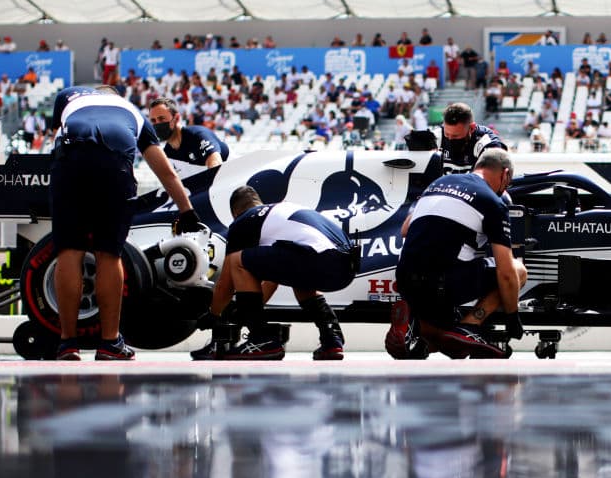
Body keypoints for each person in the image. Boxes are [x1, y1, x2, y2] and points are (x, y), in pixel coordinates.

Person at [49, 85, 200, 360]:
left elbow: (57, 139)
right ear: (117, 97)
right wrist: (187, 211)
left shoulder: (69, 95)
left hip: (70, 165)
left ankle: (67, 343)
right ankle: (109, 344)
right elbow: (165, 171)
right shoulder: (133, 113)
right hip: (114, 166)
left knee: (69, 252)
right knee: (109, 254)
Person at [389, 149, 527, 359]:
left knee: (446, 346)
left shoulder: (438, 184)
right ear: (505, 174)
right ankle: (470, 326)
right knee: (518, 270)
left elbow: (405, 229)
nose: (504, 189)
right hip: (444, 283)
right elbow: (506, 273)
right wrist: (512, 316)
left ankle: (414, 327)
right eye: (506, 185)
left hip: (407, 280)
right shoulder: (493, 201)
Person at [193, 186, 357, 360]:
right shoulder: (280, 211)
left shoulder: (243, 221)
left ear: (235, 212)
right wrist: (244, 313)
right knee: (299, 277)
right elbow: (273, 281)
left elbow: (225, 284)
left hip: (316, 257)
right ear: (259, 202)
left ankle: (262, 338)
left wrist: (214, 315)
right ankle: (331, 338)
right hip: (346, 265)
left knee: (236, 261)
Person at [148, 97, 229, 178]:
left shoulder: (198, 135)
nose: (157, 124)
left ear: (176, 118)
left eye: (161, 119)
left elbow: (215, 164)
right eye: (153, 121)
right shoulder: (167, 154)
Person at [439, 101, 507, 174]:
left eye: (455, 136)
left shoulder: (486, 142)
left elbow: (491, 179)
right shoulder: (436, 136)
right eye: (446, 134)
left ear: (472, 128)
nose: (450, 138)